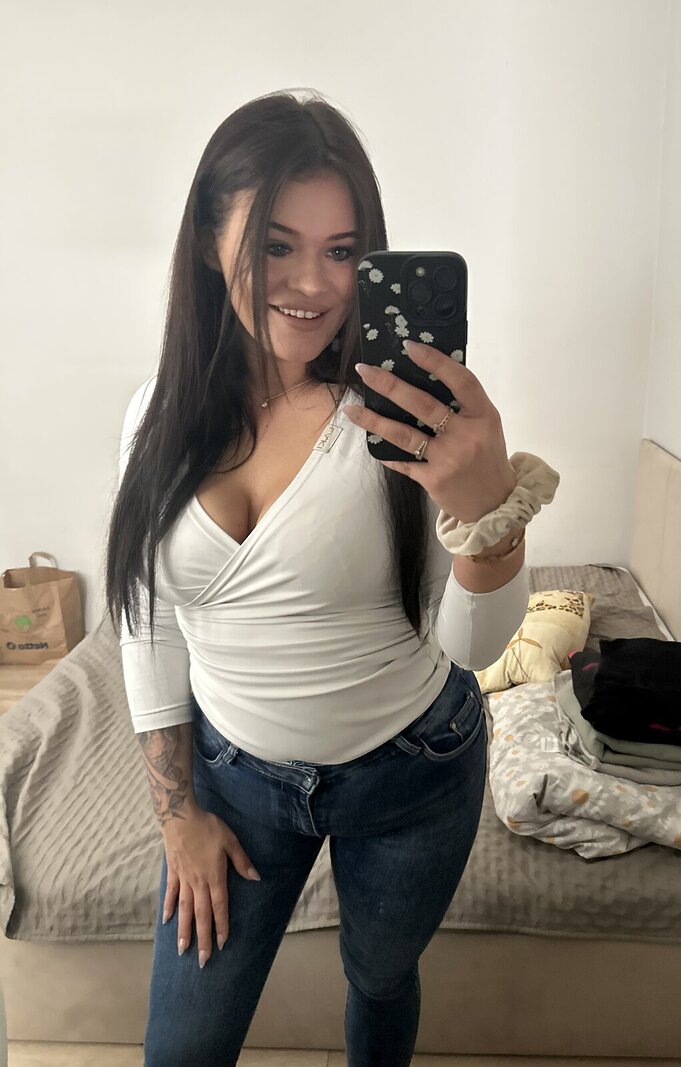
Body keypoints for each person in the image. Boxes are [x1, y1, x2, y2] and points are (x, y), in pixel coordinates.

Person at [106, 88, 559, 1067]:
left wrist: (487, 517)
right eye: (276, 244)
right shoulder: (155, 417)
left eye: (342, 250)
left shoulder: (401, 421)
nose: (313, 284)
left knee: (380, 978)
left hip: (410, 771)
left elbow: (476, 651)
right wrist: (178, 815)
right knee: (181, 1047)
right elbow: (150, 622)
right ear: (207, 240)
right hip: (234, 780)